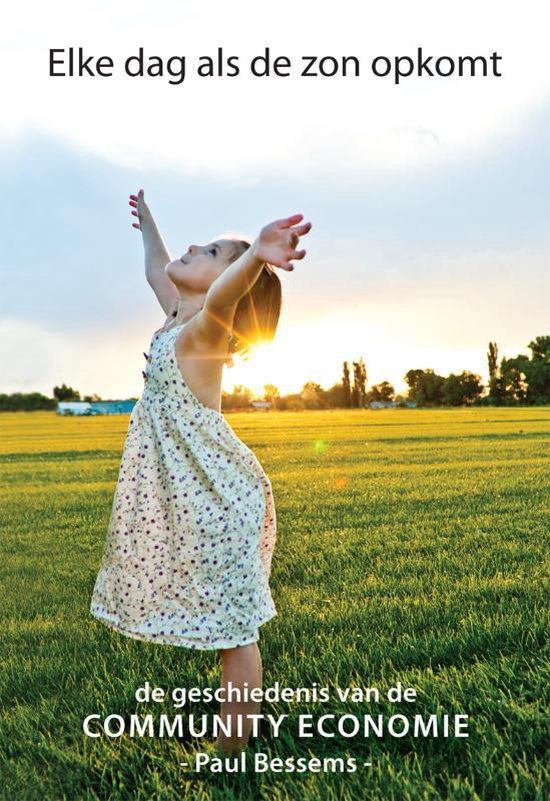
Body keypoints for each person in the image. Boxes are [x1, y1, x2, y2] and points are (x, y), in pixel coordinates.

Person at [90, 189, 312, 754]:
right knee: (222, 625)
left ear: (226, 282)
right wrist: (148, 225)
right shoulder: (174, 317)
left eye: (211, 251)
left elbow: (220, 304)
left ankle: (232, 751)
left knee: (235, 634)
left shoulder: (203, 336)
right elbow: (155, 271)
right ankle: (231, 737)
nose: (194, 248)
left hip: (221, 501)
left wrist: (256, 256)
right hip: (199, 499)